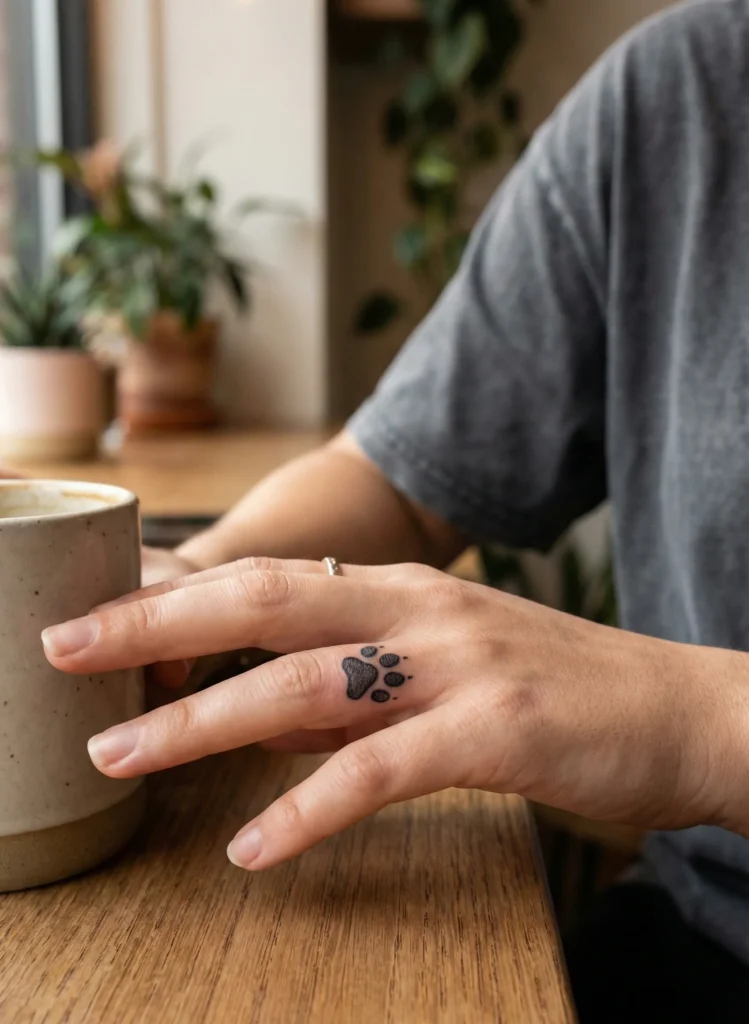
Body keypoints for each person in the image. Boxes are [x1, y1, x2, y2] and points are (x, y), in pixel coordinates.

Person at [32, 0, 749, 1018]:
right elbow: (403, 480)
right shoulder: (681, 93)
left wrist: (695, 722)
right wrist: (214, 580)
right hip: (694, 937)